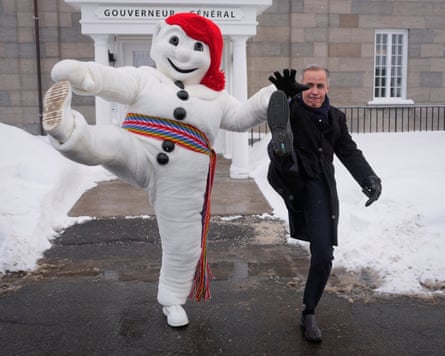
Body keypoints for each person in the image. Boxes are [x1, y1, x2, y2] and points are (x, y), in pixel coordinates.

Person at [42, 13, 277, 328]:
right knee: (111, 141)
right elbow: (113, 80)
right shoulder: (146, 77)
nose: (183, 54)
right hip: (141, 151)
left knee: (185, 242)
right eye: (175, 41)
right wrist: (84, 75)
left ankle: (173, 300)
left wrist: (267, 98)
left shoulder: (216, 97)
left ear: (212, 57)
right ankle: (67, 129)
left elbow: (240, 117)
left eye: (198, 47)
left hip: (182, 180)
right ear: (158, 39)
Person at [267, 66, 382, 342]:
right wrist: (281, 94)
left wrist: (368, 177)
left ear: (327, 88)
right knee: (282, 153)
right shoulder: (292, 108)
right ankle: (282, 149)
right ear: (302, 86)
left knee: (323, 253)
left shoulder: (335, 118)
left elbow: (348, 150)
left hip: (319, 185)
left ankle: (309, 312)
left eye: (320, 86)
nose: (314, 91)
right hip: (292, 176)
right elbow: (267, 109)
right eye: (309, 86)